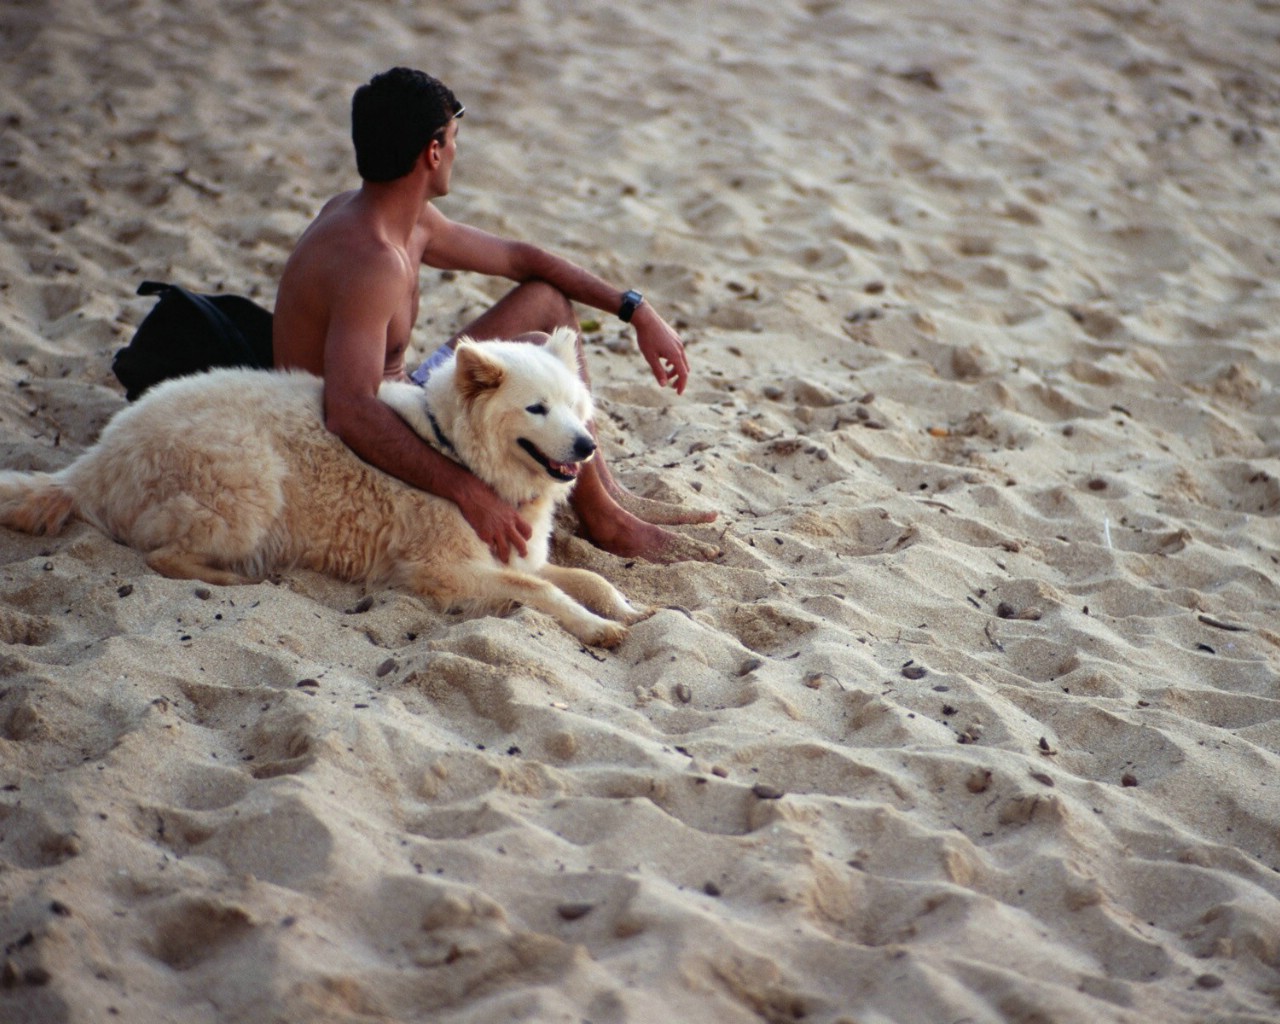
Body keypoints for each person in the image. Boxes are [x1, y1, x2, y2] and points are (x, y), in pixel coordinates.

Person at [272, 67, 717, 564]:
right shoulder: (372, 261)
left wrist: (635, 310)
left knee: (546, 304)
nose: (458, 153)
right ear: (433, 152)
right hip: (362, 435)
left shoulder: (394, 216)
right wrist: (467, 491)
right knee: (529, 347)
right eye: (455, 138)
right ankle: (605, 520)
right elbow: (349, 411)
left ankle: (604, 497)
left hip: (403, 395)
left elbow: (524, 260)